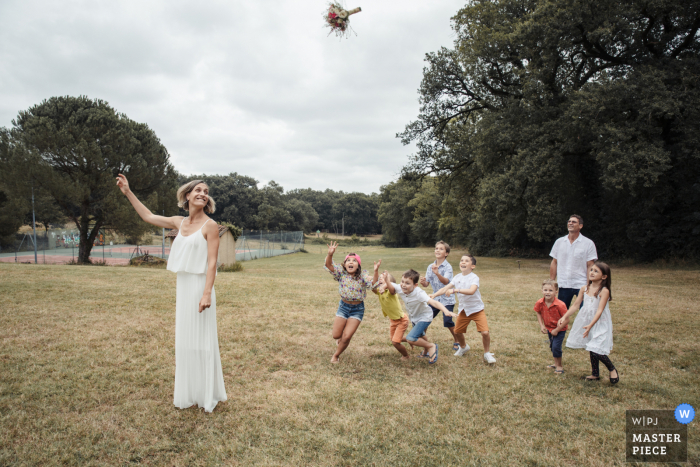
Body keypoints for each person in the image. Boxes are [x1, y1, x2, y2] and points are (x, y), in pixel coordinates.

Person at [116, 175, 227, 412]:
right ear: (187, 195)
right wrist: (128, 191)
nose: (203, 193)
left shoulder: (210, 226)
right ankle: (189, 392)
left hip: (200, 287)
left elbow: (212, 263)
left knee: (203, 342)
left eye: (206, 191)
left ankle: (206, 395)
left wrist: (207, 294)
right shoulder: (179, 222)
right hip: (184, 286)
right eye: (198, 190)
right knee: (186, 342)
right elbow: (148, 216)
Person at [558, 262, 618, 384]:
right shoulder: (584, 288)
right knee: (591, 345)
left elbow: (600, 310)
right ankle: (595, 374)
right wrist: (564, 316)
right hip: (586, 319)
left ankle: (612, 369)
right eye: (591, 270)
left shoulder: (604, 291)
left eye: (596, 271)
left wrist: (591, 325)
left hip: (600, 322)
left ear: (604, 277)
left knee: (596, 347)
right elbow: (575, 305)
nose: (592, 272)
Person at [431, 255, 497, 364]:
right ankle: (463, 347)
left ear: (473, 266)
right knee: (457, 332)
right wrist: (434, 295)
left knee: (485, 332)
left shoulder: (474, 277)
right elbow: (445, 288)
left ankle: (487, 353)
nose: (463, 262)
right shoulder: (457, 277)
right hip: (464, 310)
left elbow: (471, 291)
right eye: (462, 260)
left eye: (467, 261)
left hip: (477, 310)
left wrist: (455, 290)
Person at [385, 269, 457, 364]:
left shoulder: (419, 293)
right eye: (402, 281)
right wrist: (384, 285)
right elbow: (391, 284)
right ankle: (426, 352)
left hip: (425, 317)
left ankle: (431, 346)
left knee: (411, 338)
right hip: (414, 318)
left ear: (415, 285)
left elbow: (434, 302)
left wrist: (446, 311)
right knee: (422, 335)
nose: (403, 285)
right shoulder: (400, 287)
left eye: (407, 283)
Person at [324, 241, 379, 363]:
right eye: (348, 260)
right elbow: (329, 265)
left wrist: (375, 272)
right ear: (345, 264)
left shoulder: (363, 276)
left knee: (347, 336)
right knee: (336, 336)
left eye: (354, 261)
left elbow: (373, 284)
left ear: (358, 265)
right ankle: (341, 339)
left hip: (357, 309)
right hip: (343, 307)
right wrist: (330, 254)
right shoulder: (341, 274)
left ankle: (336, 355)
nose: (351, 262)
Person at [549, 215, 598, 309]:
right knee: (561, 312)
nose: (570, 223)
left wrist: (589, 285)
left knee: (585, 311)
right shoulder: (559, 242)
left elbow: (590, 266)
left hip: (582, 284)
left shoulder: (588, 243)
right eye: (569, 221)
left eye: (574, 222)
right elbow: (554, 262)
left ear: (580, 226)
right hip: (564, 284)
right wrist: (551, 282)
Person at [419, 241, 458, 353]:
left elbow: (446, 282)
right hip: (435, 299)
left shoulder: (448, 267)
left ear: (446, 253)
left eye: (441, 249)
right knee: (426, 318)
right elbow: (426, 284)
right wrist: (423, 282)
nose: (438, 250)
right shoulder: (430, 266)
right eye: (436, 248)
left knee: (448, 321)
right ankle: (424, 342)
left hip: (447, 299)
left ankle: (457, 341)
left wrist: (437, 273)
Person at [372, 272, 410, 360]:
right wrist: (375, 271)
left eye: (384, 278)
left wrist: (386, 284)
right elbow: (373, 288)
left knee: (395, 342)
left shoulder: (391, 292)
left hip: (401, 320)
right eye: (380, 278)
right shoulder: (380, 291)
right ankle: (409, 339)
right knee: (394, 338)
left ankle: (406, 356)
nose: (381, 279)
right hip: (393, 320)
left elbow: (391, 287)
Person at [533, 279, 568, 374]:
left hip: (560, 329)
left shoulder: (560, 305)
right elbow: (538, 313)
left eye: (550, 290)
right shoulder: (540, 302)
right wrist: (541, 326)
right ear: (542, 291)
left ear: (556, 292)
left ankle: (559, 366)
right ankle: (555, 364)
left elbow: (567, 320)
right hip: (549, 328)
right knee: (552, 346)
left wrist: (557, 330)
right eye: (545, 290)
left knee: (556, 347)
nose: (547, 292)